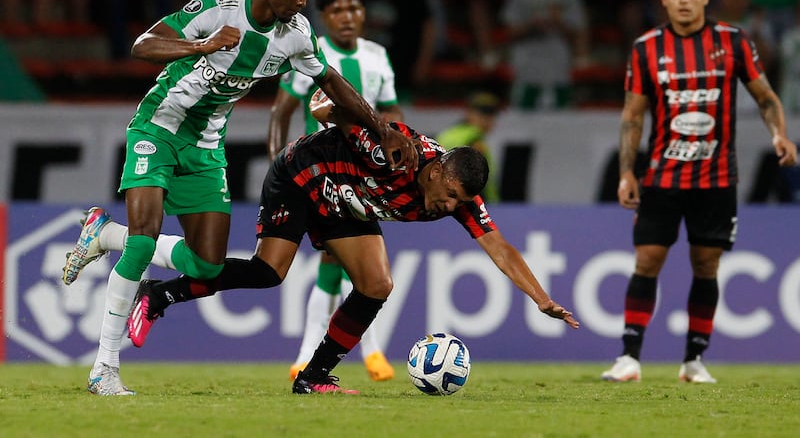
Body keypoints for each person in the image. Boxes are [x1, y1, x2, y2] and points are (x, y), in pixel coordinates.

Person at [61, 0, 418, 396]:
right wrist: (202, 45)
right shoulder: (218, 4)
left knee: (206, 266)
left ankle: (103, 234)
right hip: (159, 128)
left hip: (207, 149)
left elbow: (330, 81)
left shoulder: (296, 33)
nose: (301, 1)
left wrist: (380, 127)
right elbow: (142, 45)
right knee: (143, 238)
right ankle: (104, 369)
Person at [122, 100, 579, 395]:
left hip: (345, 202)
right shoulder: (394, 151)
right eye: (451, 195)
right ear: (437, 170)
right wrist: (328, 109)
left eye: (460, 202)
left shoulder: (458, 198)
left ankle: (313, 378)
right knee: (269, 272)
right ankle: (160, 294)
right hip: (303, 175)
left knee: (377, 284)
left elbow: (500, 247)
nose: (450, 207)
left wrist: (542, 300)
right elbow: (343, 116)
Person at [602, 0, 797, 384]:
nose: (685, 0)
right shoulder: (647, 48)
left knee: (706, 264)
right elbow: (632, 116)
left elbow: (765, 96)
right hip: (662, 176)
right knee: (648, 258)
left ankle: (694, 360)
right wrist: (626, 172)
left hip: (717, 177)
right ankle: (629, 357)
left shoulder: (732, 41)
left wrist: (779, 134)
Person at [268, 0, 403, 382]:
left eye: (355, 9)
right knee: (344, 263)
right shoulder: (311, 53)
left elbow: (393, 116)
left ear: (364, 14)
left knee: (346, 266)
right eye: (338, 11)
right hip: (320, 174)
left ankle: (312, 355)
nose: (347, 17)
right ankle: (360, 352)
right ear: (324, 17)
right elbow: (281, 112)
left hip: (366, 175)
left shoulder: (378, 56)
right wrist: (278, 166)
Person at [500, 0, 590, 109]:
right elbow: (510, 31)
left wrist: (559, 22)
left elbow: (579, 31)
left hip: (558, 65)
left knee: (562, 120)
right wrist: (532, 25)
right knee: (522, 117)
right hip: (527, 65)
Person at [436, 92, 501, 202]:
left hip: (441, 199)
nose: (488, 119)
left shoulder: (446, 134)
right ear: (469, 113)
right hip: (470, 203)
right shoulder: (474, 139)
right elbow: (478, 179)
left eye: (491, 114)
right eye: (483, 113)